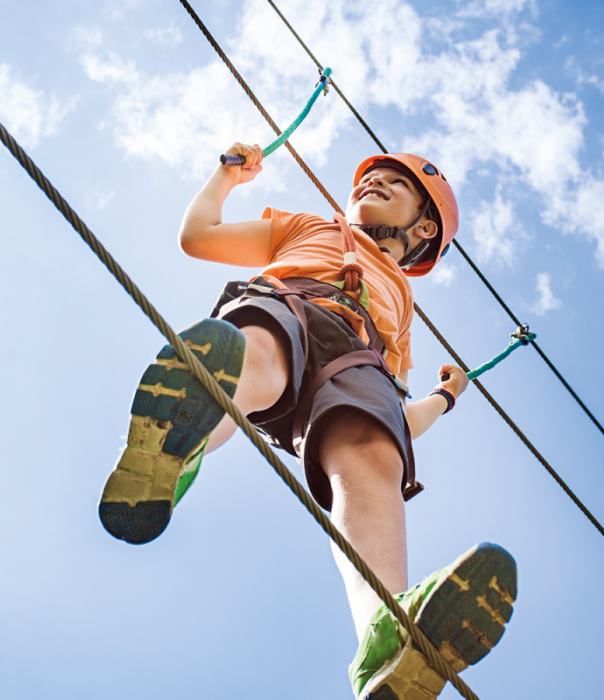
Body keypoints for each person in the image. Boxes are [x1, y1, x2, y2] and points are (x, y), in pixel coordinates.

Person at [98, 143, 518, 700]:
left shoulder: (401, 297)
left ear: (422, 229)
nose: (375, 185)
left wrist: (446, 395)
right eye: (372, 180)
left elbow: (401, 414)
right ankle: (170, 455)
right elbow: (198, 235)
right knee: (257, 356)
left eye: (397, 186)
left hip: (358, 357)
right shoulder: (307, 227)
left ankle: (389, 637)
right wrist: (226, 176)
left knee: (375, 449)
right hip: (290, 306)